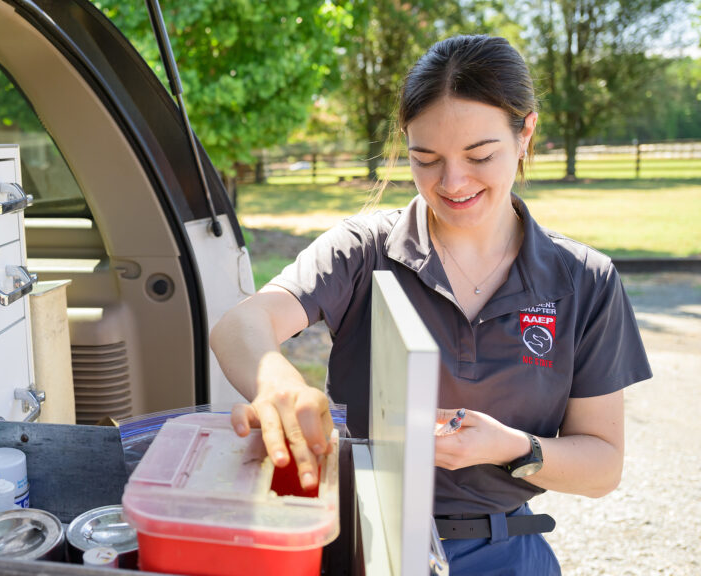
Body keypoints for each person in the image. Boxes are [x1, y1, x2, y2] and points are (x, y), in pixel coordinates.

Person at [210, 34, 651, 574]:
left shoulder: (585, 280)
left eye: (480, 155)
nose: (453, 182)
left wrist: (509, 447)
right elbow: (241, 324)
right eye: (426, 159)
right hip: (359, 541)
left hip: (502, 553)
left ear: (526, 133)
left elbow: (602, 466)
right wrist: (276, 383)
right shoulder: (363, 249)